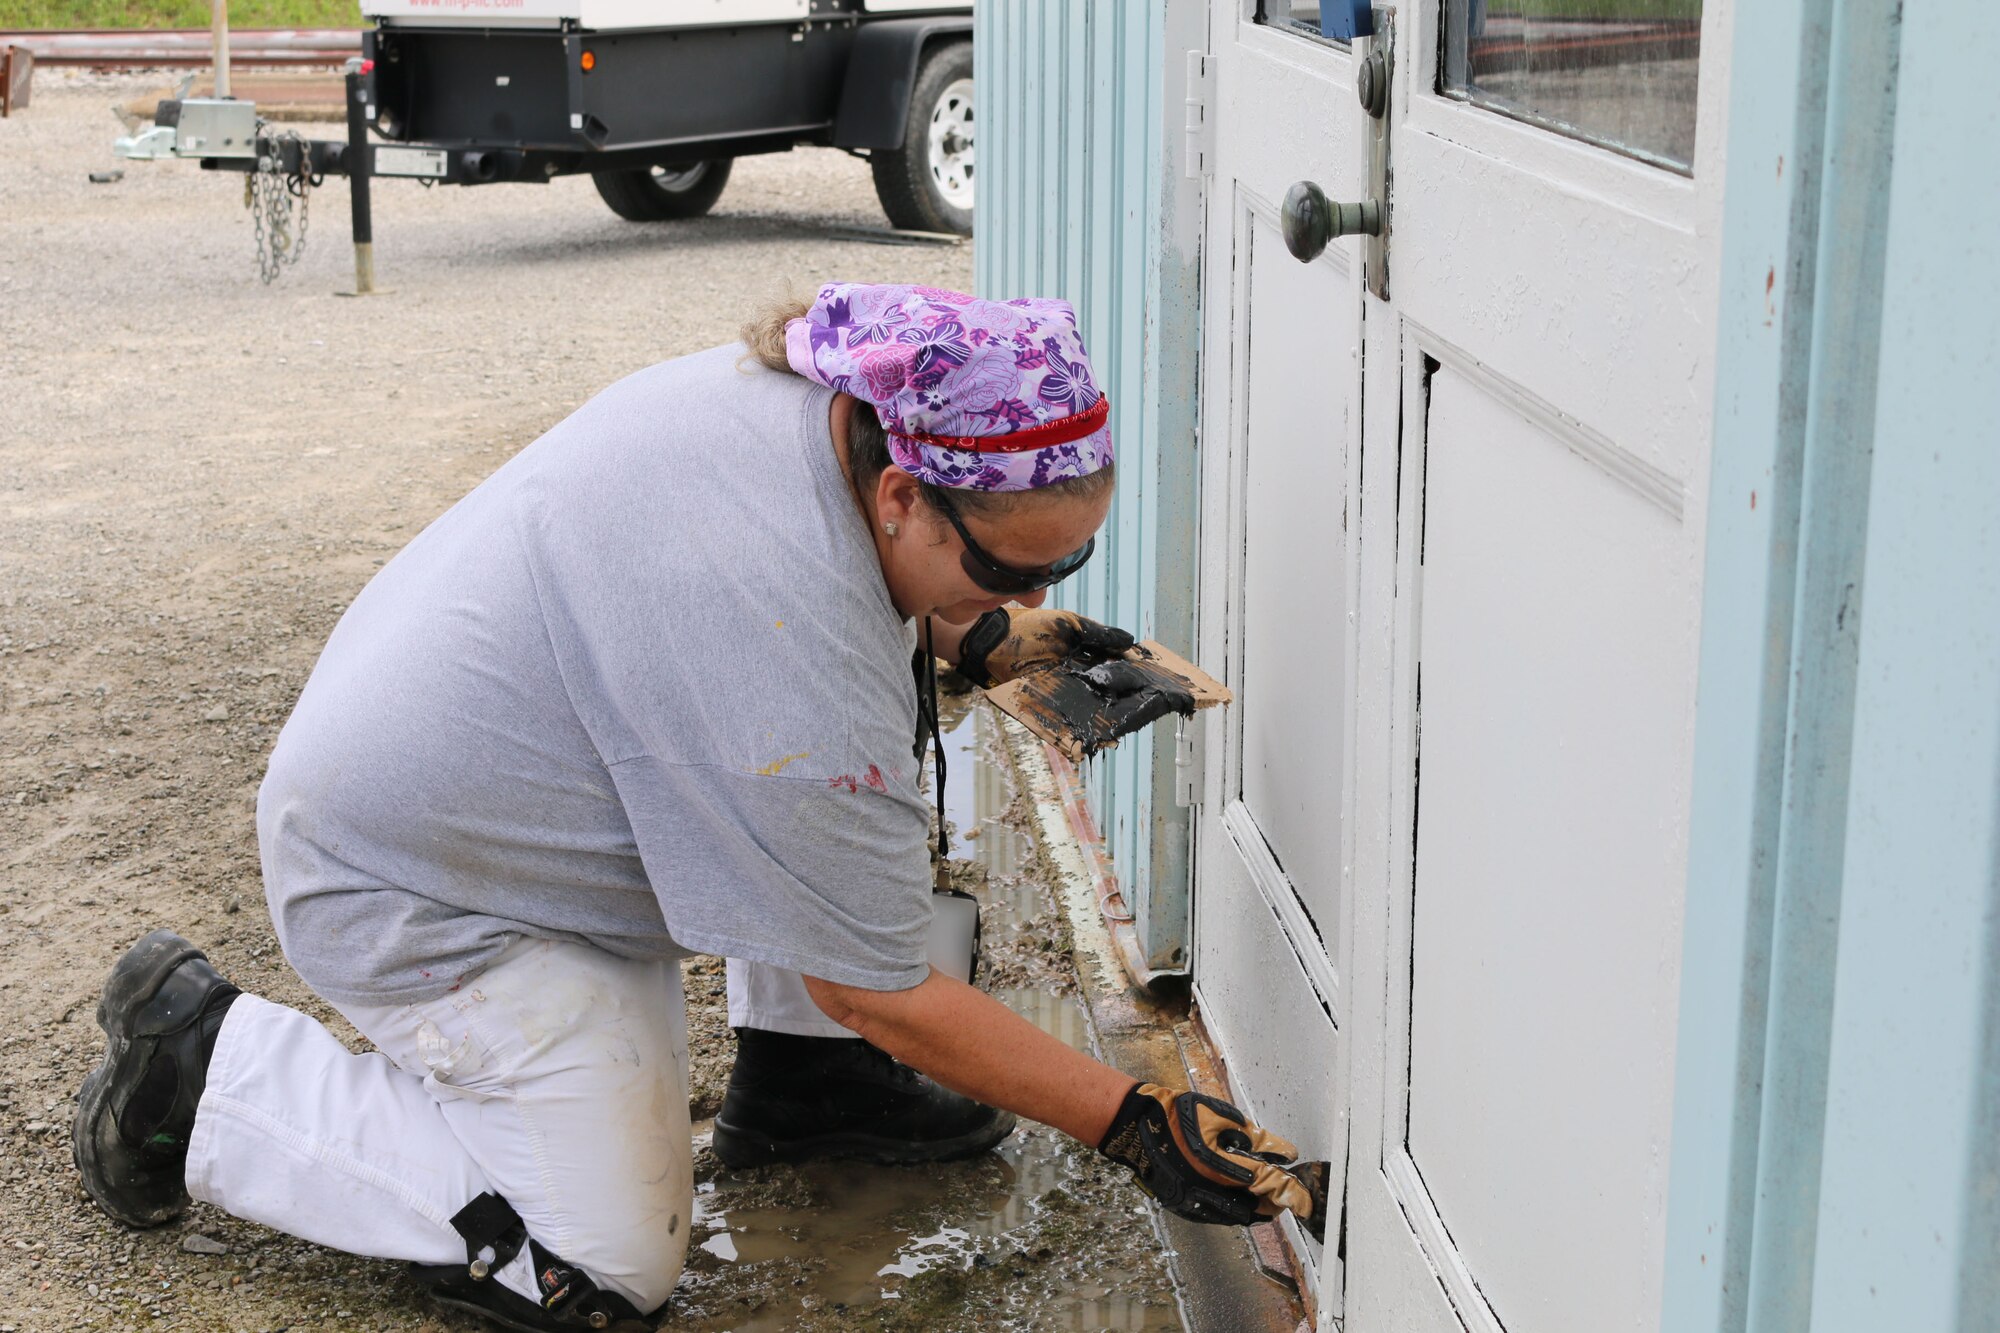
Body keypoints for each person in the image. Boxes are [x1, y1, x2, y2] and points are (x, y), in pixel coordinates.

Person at [69, 284, 1319, 1332]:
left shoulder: (837, 417)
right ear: (903, 499)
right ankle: (210, 1071)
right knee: (604, 1264)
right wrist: (1138, 1122)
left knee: (843, 775)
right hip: (430, 894)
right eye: (1008, 568)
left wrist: (986, 627)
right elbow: (874, 983)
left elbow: (817, 729)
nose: (1035, 590)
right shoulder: (775, 620)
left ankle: (814, 1087)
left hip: (507, 802)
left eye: (1064, 561)